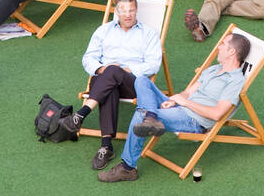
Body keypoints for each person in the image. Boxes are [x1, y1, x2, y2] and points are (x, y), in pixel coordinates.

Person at [98, 31, 250, 184]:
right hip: (179, 108)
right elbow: (188, 92)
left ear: (232, 52)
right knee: (142, 81)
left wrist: (185, 103)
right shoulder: (213, 69)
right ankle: (151, 117)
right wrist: (175, 101)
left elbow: (217, 114)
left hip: (193, 120)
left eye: (223, 44)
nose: (219, 47)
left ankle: (128, 168)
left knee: (140, 116)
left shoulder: (235, 81)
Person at [59, 0, 164, 170]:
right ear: (116, 11)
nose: (128, 15)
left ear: (136, 9)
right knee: (109, 81)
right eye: (123, 11)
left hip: (132, 82)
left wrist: (129, 69)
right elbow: (88, 58)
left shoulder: (148, 33)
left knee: (113, 72)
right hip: (105, 82)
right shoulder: (104, 30)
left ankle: (81, 114)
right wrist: (102, 68)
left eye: (131, 10)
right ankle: (106, 147)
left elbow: (154, 64)